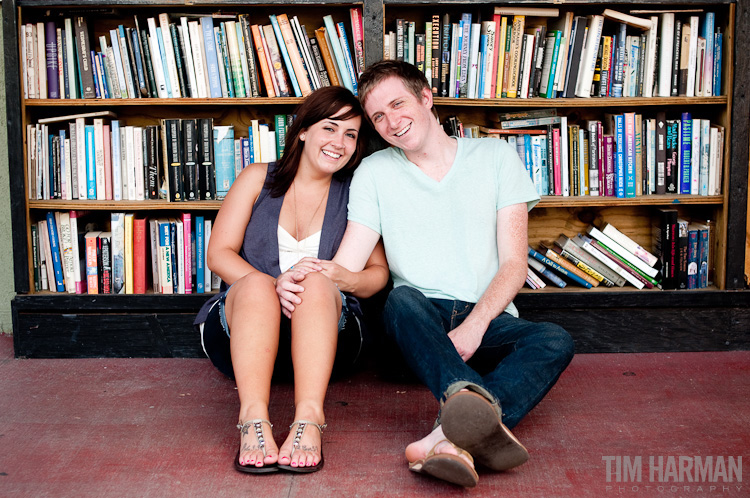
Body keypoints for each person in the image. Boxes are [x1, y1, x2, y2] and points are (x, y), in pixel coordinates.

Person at [318, 60, 574, 487]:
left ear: (426, 97)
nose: (391, 122)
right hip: (418, 330)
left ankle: (448, 436)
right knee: (401, 299)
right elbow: (349, 264)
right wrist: (303, 278)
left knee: (554, 339)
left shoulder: (495, 157)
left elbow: (514, 264)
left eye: (398, 104)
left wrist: (476, 326)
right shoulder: (374, 172)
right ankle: (465, 416)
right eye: (378, 116)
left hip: (487, 322)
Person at [194, 86, 389, 475]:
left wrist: (339, 277)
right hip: (241, 342)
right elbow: (218, 253)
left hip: (329, 347)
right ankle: (253, 419)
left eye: (351, 135)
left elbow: (378, 275)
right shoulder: (257, 178)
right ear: (302, 130)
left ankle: (309, 420)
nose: (340, 142)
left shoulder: (357, 193)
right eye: (330, 128)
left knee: (317, 282)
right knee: (253, 286)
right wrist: (271, 284)